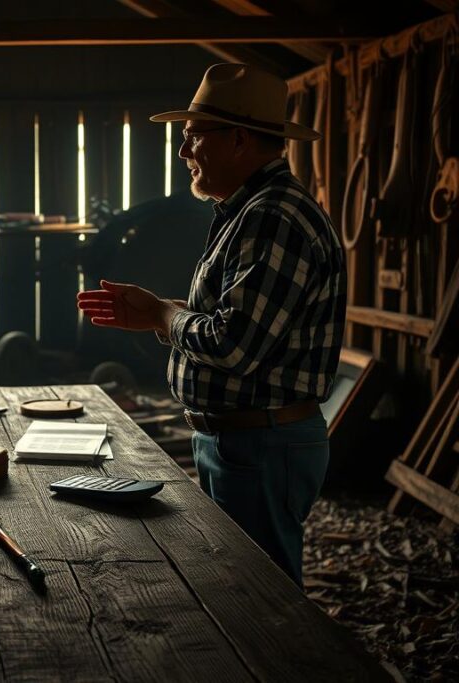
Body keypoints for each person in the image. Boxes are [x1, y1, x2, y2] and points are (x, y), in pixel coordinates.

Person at [77, 63, 346, 585]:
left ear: (239, 140)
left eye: (192, 137)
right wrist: (165, 314)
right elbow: (242, 322)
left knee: (263, 602)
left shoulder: (273, 216)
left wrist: (164, 313)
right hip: (245, 441)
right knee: (242, 589)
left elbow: (234, 345)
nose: (183, 153)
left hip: (261, 444)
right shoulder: (247, 210)